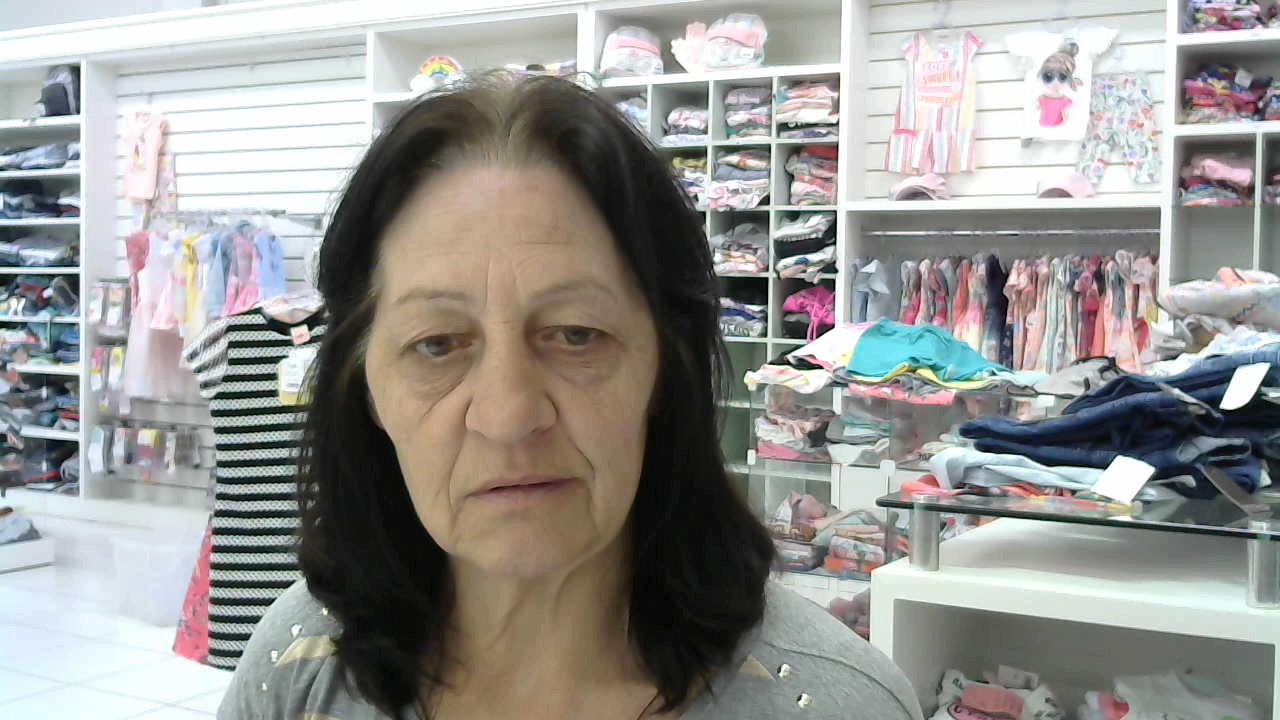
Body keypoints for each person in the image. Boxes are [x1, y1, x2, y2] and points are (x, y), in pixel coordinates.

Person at [218, 74, 922, 720]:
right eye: (436, 344)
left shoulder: (838, 707)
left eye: (576, 335)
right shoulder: (299, 664)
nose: (508, 416)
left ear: (662, 368)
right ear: (367, 387)